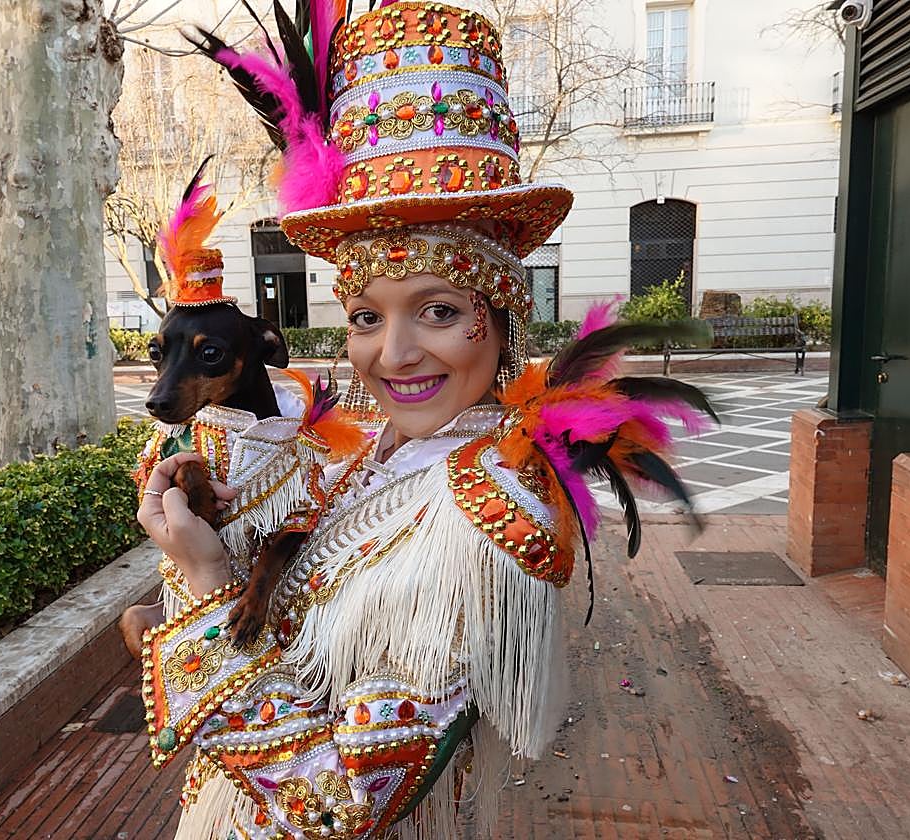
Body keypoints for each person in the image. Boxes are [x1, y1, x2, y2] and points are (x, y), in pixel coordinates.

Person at [136, 4, 713, 838]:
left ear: (503, 316)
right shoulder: (365, 459)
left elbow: (338, 804)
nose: (395, 354)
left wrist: (210, 585)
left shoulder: (487, 517)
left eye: (438, 311)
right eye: (367, 317)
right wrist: (198, 522)